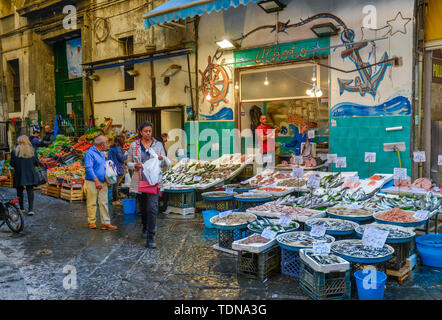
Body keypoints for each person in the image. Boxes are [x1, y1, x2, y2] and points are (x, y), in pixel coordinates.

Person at [127, 121, 170, 249]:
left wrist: (162, 160)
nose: (148, 133)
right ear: (140, 132)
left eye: (150, 131)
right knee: (143, 208)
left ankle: (151, 237)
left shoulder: (158, 145)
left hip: (154, 182)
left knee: (152, 208)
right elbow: (128, 162)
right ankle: (145, 227)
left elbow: (165, 163)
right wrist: (135, 165)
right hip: (140, 181)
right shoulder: (134, 145)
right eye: (145, 131)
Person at [84, 135, 118, 231]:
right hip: (92, 181)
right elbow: (88, 168)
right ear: (102, 144)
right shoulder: (89, 153)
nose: (108, 144)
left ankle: (105, 223)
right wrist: (96, 180)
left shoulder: (102, 153)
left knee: (104, 202)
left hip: (102, 182)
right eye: (107, 142)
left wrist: (108, 164)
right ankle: (92, 222)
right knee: (92, 202)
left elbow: (101, 166)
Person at [10, 135, 42, 216]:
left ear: (19, 142)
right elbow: (36, 163)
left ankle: (21, 208)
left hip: (19, 173)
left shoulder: (14, 151)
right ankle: (30, 209)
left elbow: (12, 164)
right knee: (30, 191)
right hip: (30, 173)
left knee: (19, 191)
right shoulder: (32, 150)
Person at [108, 135, 128, 205]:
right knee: (115, 185)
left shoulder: (111, 148)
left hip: (112, 168)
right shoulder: (118, 148)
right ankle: (115, 200)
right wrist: (128, 155)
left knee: (114, 184)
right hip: (117, 169)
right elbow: (121, 158)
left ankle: (115, 198)